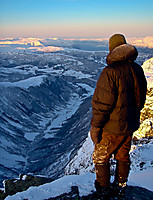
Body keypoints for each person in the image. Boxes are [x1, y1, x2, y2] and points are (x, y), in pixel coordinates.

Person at [90, 33, 147, 197]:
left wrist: (96, 126)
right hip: (130, 124)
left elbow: (102, 103)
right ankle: (121, 185)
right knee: (123, 154)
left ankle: (103, 189)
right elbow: (141, 97)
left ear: (112, 49)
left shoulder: (110, 72)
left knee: (101, 156)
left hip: (112, 126)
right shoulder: (137, 69)